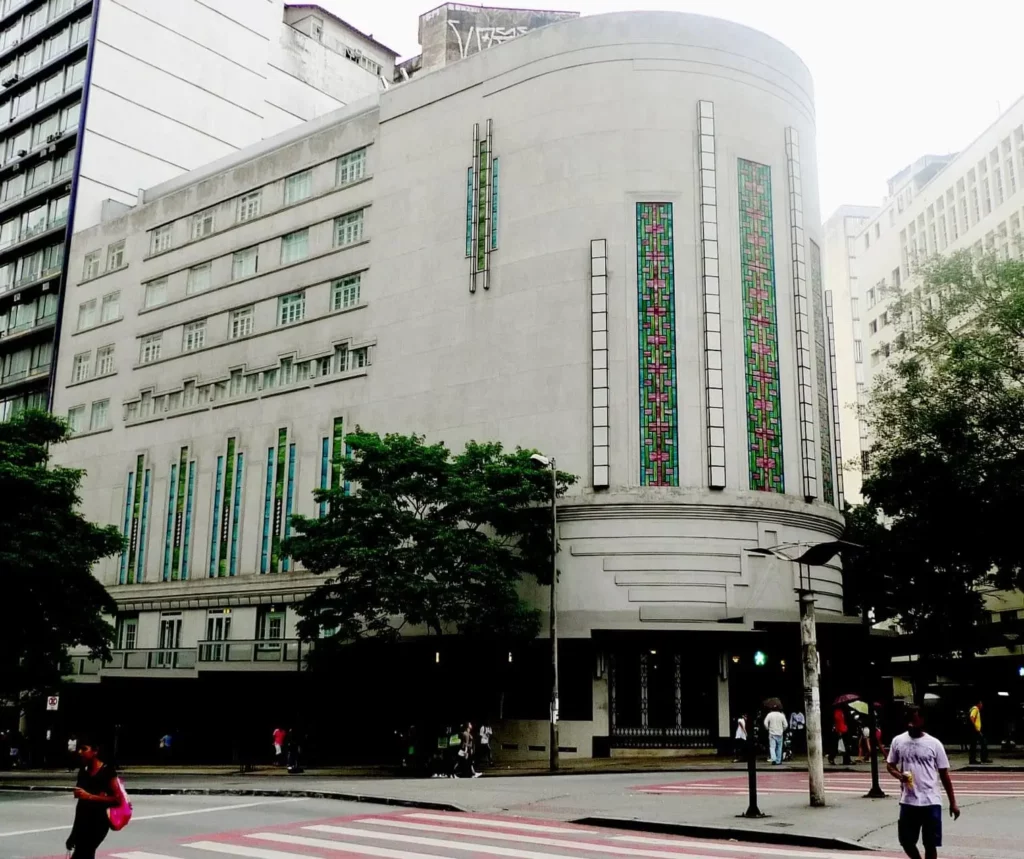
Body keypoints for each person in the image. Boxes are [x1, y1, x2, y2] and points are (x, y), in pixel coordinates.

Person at [887, 707, 960, 859]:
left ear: (922, 721)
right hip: (908, 800)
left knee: (930, 843)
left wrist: (953, 802)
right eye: (908, 722)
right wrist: (899, 776)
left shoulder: (934, 744)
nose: (911, 725)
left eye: (914, 721)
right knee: (906, 841)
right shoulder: (898, 741)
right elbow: (890, 764)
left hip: (931, 801)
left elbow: (944, 774)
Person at [65, 737, 120, 859]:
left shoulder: (107, 771)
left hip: (99, 823)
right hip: (84, 822)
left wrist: (89, 796)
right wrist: (73, 834)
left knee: (83, 853)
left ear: (95, 751)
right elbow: (80, 806)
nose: (80, 752)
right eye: (79, 749)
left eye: (84, 749)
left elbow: (117, 799)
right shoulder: (83, 772)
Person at [968, 700, 990, 765]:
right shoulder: (975, 709)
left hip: (976, 730)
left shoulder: (973, 709)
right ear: (978, 704)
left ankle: (974, 759)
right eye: (981, 703)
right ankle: (979, 759)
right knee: (983, 742)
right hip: (975, 730)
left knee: (974, 745)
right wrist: (975, 727)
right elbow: (972, 717)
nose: (982, 705)